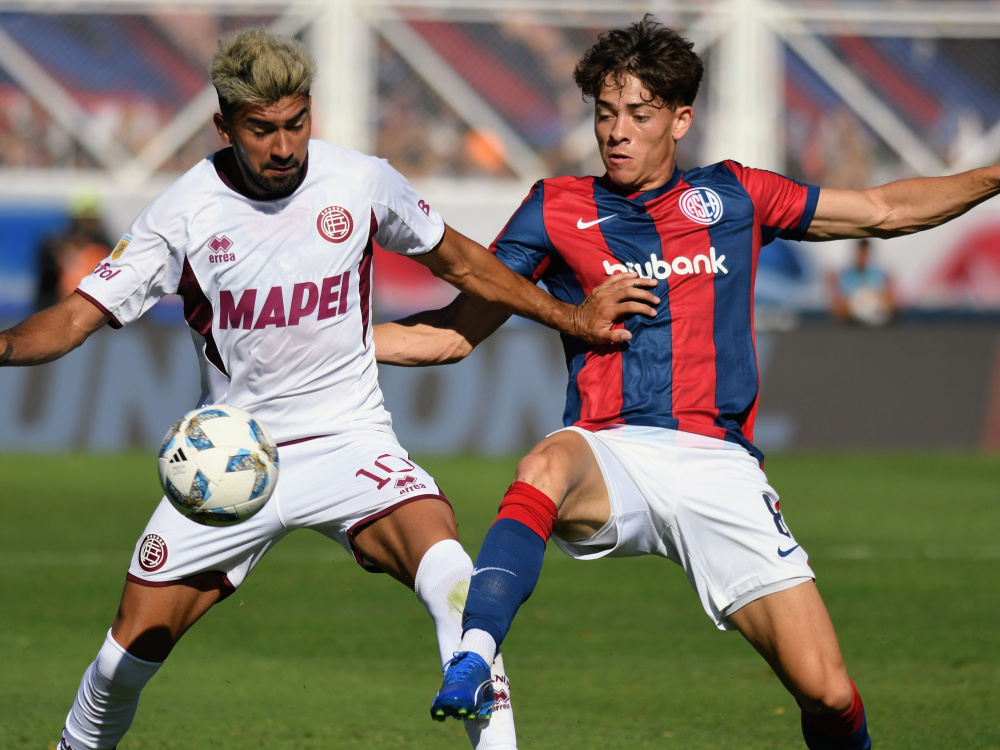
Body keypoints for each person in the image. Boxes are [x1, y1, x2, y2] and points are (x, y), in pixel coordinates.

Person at [0, 28, 649, 750]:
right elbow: (72, 319)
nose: (284, 147)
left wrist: (569, 315)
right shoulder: (181, 215)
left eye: (296, 124)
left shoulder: (360, 181)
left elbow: (465, 264)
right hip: (233, 461)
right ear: (225, 126)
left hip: (351, 442)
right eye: (262, 130)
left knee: (454, 580)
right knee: (125, 659)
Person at [374, 16, 1000, 749]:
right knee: (544, 464)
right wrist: (328, 343)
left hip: (718, 466)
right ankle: (473, 656)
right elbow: (452, 333)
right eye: (605, 114)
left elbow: (886, 211)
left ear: (680, 119)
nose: (616, 132)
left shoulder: (736, 196)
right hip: (611, 452)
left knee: (828, 694)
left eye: (638, 115)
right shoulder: (556, 209)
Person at [829, 237, 898, 325]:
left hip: (875, 311)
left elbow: (888, 301)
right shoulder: (848, 274)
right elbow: (841, 302)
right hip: (853, 314)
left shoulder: (877, 273)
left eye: (865, 253)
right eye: (861, 253)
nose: (863, 257)